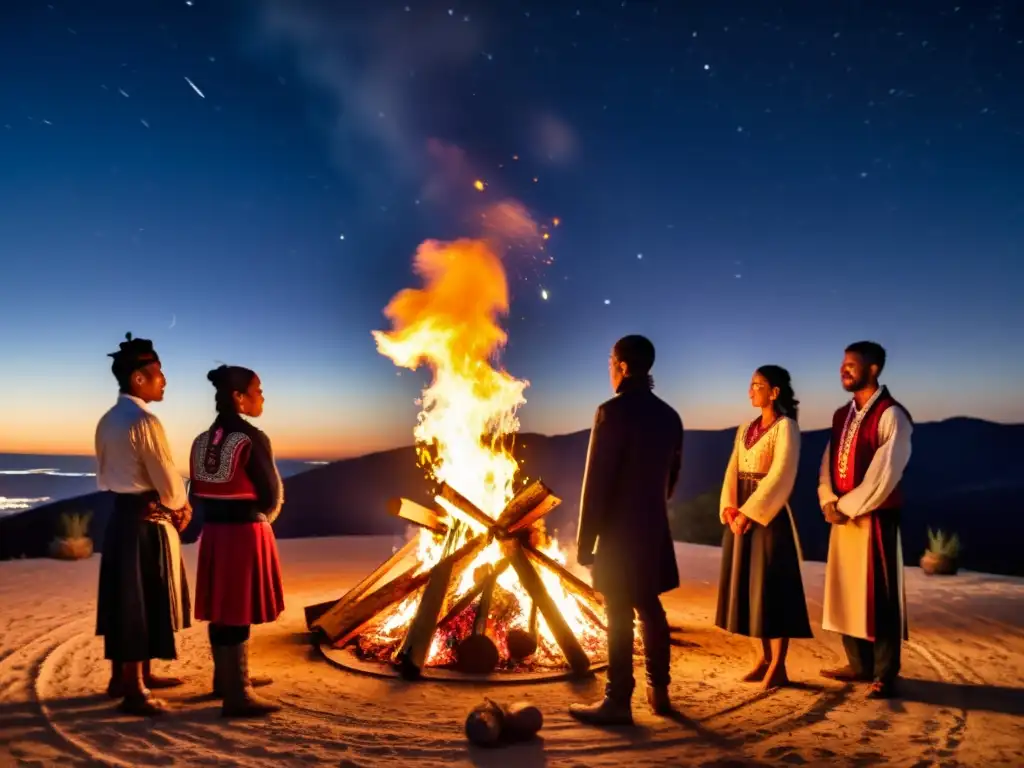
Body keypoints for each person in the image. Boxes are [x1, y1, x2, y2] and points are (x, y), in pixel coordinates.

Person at [569, 335, 684, 726]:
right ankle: (660, 692)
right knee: (650, 607)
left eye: (609, 361)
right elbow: (671, 479)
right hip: (652, 529)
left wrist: (586, 542)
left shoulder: (611, 412)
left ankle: (618, 701)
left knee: (618, 613)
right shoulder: (670, 416)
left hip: (617, 534)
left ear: (620, 365)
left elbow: (596, 482)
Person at [95, 333, 192, 716]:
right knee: (138, 599)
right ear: (139, 378)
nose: (164, 381)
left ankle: (125, 677)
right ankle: (134, 689)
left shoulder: (107, 420)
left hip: (120, 516)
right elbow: (167, 481)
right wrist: (180, 506)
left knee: (128, 597)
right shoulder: (145, 421)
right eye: (159, 374)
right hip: (145, 521)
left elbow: (106, 475)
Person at [818, 341, 912, 699]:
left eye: (852, 365)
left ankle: (885, 672)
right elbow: (827, 462)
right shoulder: (842, 414)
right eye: (842, 364)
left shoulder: (891, 414)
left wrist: (846, 506)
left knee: (880, 594)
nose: (844, 370)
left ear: (873, 369)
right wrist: (828, 499)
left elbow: (884, 473)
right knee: (846, 590)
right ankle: (858, 663)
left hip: (875, 517)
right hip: (843, 515)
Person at [189, 365, 285, 717]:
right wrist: (264, 517)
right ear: (238, 397)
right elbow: (270, 493)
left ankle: (224, 679)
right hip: (244, 533)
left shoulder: (201, 440)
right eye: (257, 390)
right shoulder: (251, 438)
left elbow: (197, 491)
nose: (262, 396)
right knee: (238, 609)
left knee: (223, 608)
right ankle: (238, 693)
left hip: (213, 533)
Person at [716, 365, 812, 690]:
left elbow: (781, 475)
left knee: (774, 587)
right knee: (749, 586)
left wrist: (749, 513)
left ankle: (779, 664)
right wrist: (730, 507)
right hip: (741, 513)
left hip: (767, 517)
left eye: (757, 385)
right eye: (750, 385)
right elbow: (733, 470)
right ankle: (762, 657)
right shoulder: (745, 429)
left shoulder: (787, 428)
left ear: (774, 392)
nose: (750, 391)